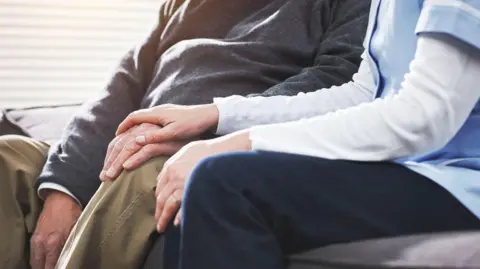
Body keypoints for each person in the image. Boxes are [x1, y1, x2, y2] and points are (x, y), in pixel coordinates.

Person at [0, 0, 370, 269]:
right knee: (8, 155)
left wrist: (211, 127)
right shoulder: (181, 5)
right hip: (130, 144)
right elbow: (117, 90)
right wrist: (62, 188)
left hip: (210, 144)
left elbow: (339, 79)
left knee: (152, 163)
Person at [114, 0, 480, 268]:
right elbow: (360, 94)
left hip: (459, 183)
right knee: (196, 188)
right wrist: (216, 115)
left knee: (222, 182)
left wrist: (235, 142)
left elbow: (424, 117)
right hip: (407, 169)